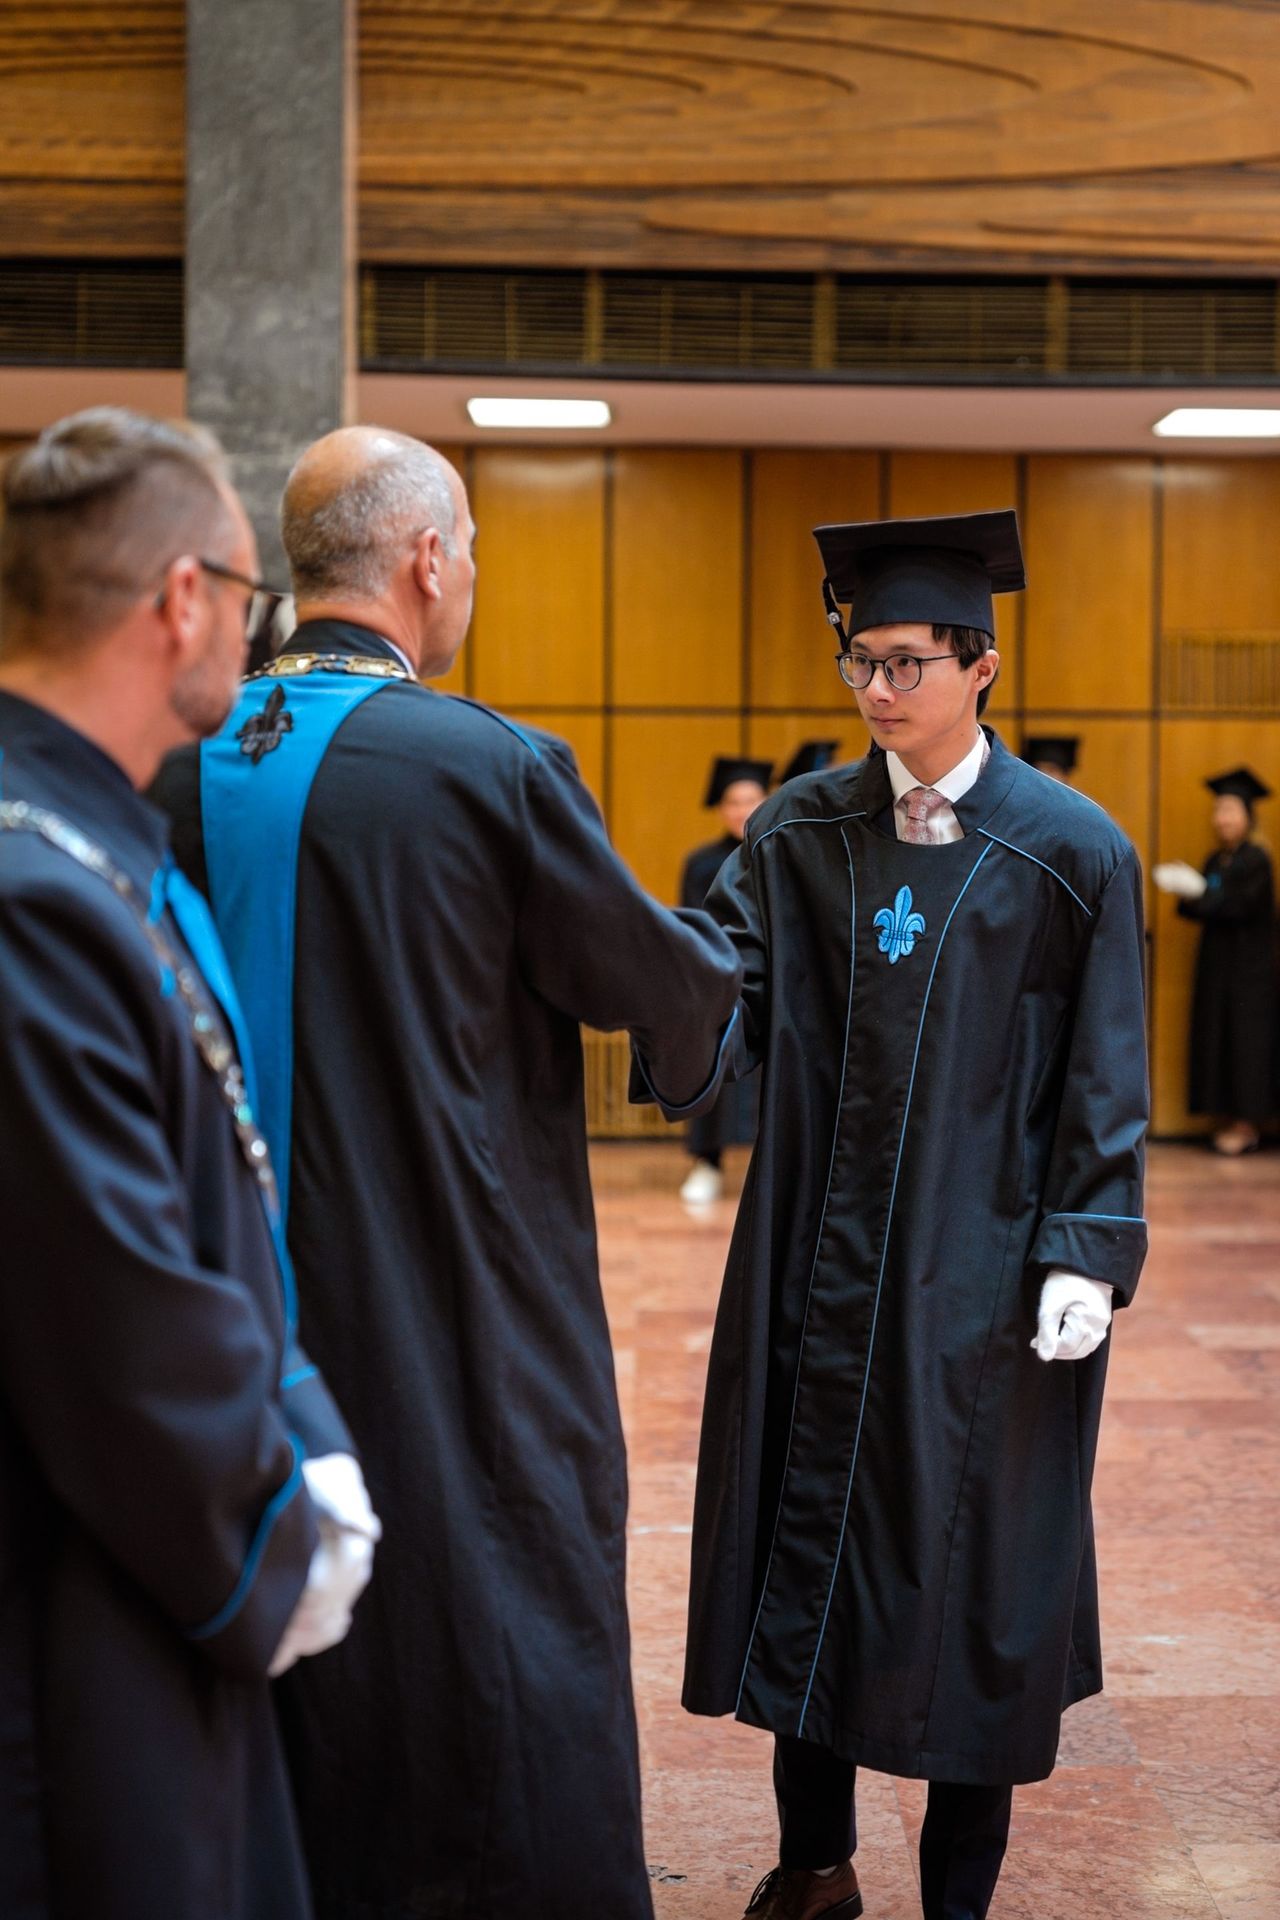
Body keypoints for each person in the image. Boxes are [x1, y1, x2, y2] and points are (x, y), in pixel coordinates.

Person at [150, 425, 742, 1920]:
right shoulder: (485, 765)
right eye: (468, 547)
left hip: (219, 1291)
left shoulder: (176, 764)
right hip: (450, 1288)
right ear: (427, 559)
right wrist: (724, 978)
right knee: (490, 1597)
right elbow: (650, 985)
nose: (467, 572)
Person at [633, 509, 1149, 1920]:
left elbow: (1106, 1070)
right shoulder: (799, 831)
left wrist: (1086, 1247)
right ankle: (815, 1866)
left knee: (972, 1575)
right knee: (805, 1548)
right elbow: (723, 992)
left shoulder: (1071, 850)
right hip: (813, 1256)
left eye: (907, 662)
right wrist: (633, 968)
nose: (877, 689)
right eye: (860, 661)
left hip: (983, 1277)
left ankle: (957, 1897)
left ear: (981, 666)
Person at [0, 407, 378, 1920]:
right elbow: (115, 1306)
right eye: (246, 595)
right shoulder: (34, 896)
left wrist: (300, 1418)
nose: (252, 628)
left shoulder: (95, 845)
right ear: (180, 598)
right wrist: (273, 1523)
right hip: (76, 1597)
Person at [1154, 767, 1275, 1155]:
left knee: (1245, 1045)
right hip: (1216, 969)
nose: (1222, 819)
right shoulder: (1216, 859)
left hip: (1249, 974)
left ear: (1248, 816)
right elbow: (1197, 909)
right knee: (1217, 1039)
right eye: (1218, 810)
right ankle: (1225, 1118)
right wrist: (1189, 890)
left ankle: (1246, 1124)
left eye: (1230, 810)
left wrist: (1203, 893)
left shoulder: (1256, 859)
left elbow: (1241, 906)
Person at [680, 754, 773, 1201]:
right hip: (718, 981)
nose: (742, 811)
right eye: (733, 802)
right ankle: (708, 1163)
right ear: (721, 808)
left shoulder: (782, 853)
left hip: (774, 981)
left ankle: (774, 1172)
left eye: (751, 800)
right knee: (713, 1067)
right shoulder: (701, 864)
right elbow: (692, 925)